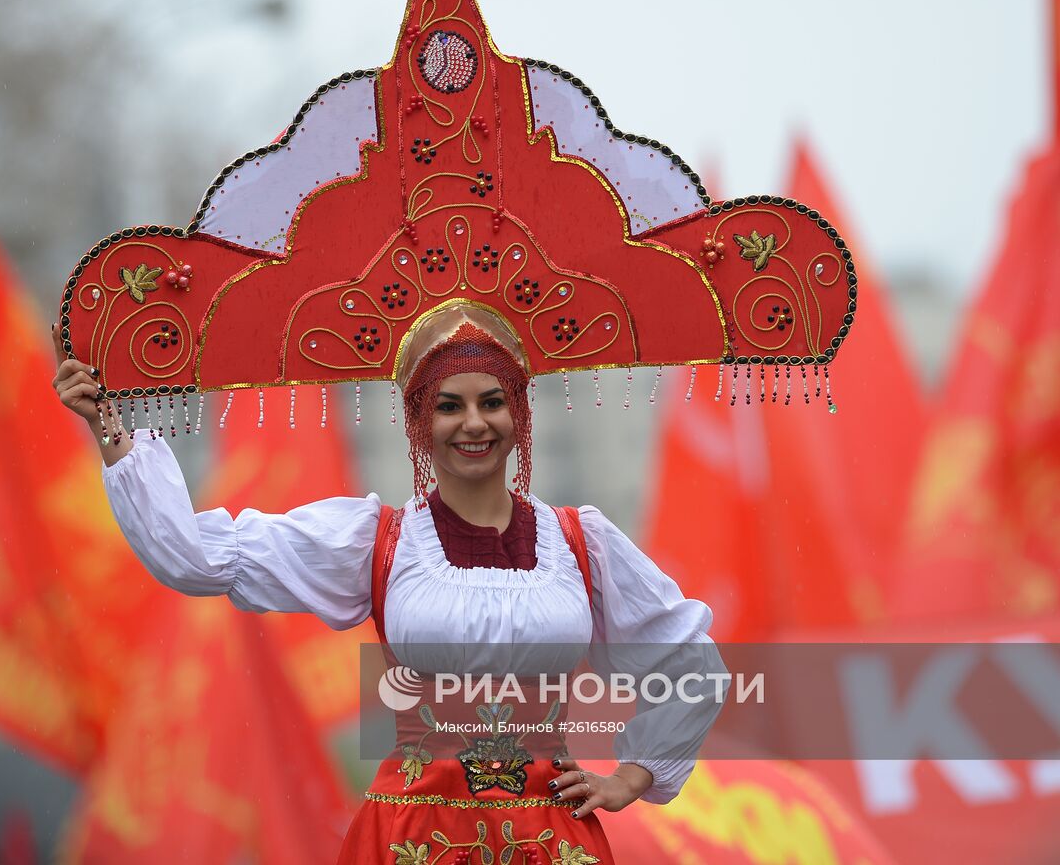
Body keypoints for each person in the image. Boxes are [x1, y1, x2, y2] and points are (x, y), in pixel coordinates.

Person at [53, 302, 718, 864]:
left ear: (518, 414)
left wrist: (633, 777)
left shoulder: (582, 541)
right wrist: (110, 427)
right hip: (412, 839)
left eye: (492, 402)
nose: (473, 423)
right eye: (449, 406)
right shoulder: (377, 540)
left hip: (550, 838)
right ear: (420, 422)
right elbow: (195, 557)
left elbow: (695, 664)